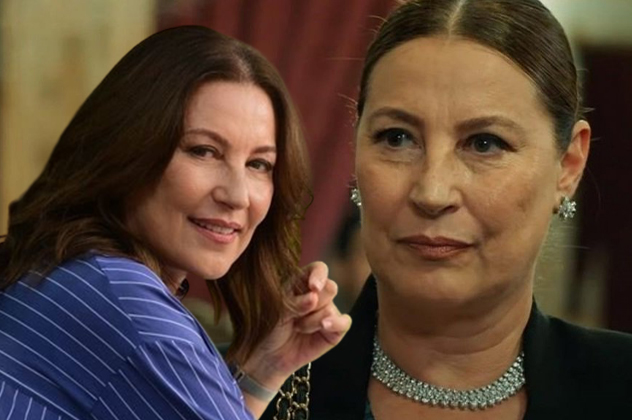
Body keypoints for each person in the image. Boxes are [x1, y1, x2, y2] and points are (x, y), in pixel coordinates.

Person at [261, 1, 632, 419]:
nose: (432, 193)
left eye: (484, 144)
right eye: (397, 138)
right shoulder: (238, 391)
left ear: (568, 165)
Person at [0, 26, 351, 420]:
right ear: (128, 149)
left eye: (258, 164)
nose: (237, 195)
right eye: (203, 151)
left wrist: (263, 370)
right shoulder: (132, 310)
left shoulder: (71, 272)